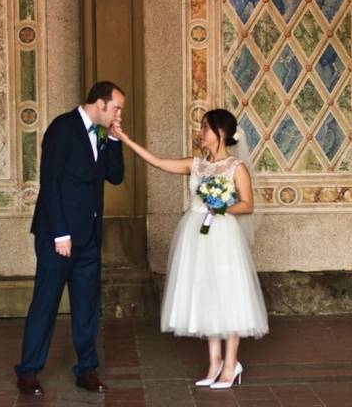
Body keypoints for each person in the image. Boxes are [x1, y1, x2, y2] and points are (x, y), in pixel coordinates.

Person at [112, 109, 267, 390]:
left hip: (222, 235)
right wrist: (124, 138)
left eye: (205, 128)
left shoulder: (236, 167)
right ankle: (214, 361)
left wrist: (222, 207)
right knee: (205, 290)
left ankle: (232, 364)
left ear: (220, 133)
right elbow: (158, 162)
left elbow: (248, 204)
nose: (200, 132)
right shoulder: (195, 165)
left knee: (228, 293)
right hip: (195, 232)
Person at [15, 81, 126, 396]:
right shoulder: (62, 129)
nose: (119, 113)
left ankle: (87, 369)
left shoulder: (103, 133)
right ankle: (28, 371)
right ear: (100, 103)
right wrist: (61, 233)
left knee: (87, 306)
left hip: (89, 236)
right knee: (46, 303)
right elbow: (51, 184)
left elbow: (115, 176)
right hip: (58, 236)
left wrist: (115, 140)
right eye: (116, 107)